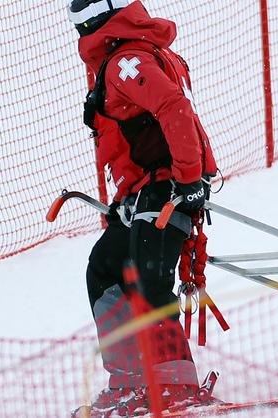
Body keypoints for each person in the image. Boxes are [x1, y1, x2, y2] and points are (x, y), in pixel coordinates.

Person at [68, 0, 218, 415]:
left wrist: (188, 180)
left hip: (168, 186)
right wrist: (124, 201)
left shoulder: (124, 61)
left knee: (148, 280)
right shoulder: (130, 54)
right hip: (147, 190)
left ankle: (175, 387)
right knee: (105, 268)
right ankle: (132, 380)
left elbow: (173, 107)